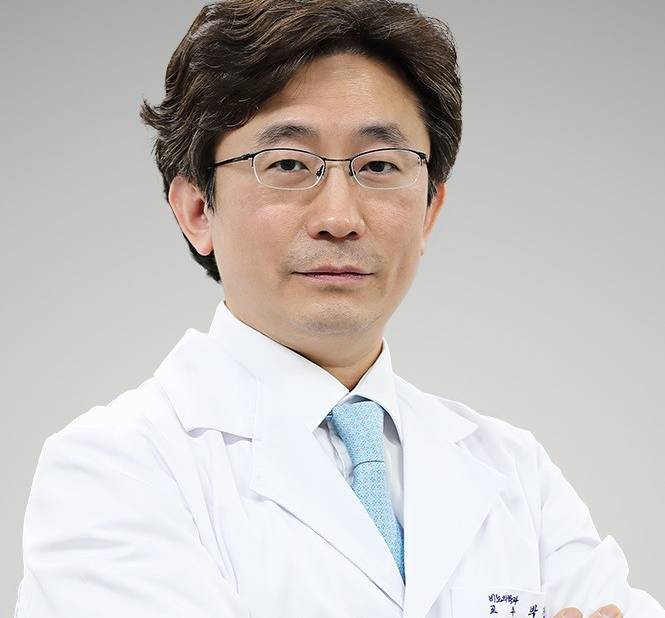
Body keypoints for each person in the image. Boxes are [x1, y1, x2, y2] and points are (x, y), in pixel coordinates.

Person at [14, 1, 664, 617]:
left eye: (379, 166)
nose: (338, 216)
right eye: (287, 164)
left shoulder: (514, 471)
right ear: (197, 210)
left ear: (429, 210)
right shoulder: (112, 468)